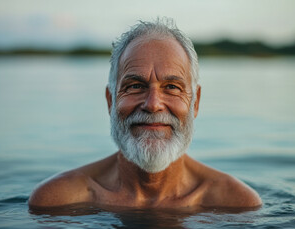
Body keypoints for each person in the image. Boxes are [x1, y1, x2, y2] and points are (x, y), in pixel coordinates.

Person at [28, 18, 262, 209]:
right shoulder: (57, 201)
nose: (153, 104)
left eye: (172, 87)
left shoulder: (236, 204)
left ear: (196, 102)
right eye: (135, 86)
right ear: (111, 101)